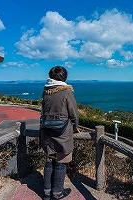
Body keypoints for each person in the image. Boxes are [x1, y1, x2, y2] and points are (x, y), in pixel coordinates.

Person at [40, 66, 79, 200]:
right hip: (62, 131)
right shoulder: (67, 91)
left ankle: (46, 192)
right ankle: (57, 193)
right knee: (61, 161)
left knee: (49, 160)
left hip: (47, 130)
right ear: (64, 77)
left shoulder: (46, 91)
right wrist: (75, 127)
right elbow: (73, 113)